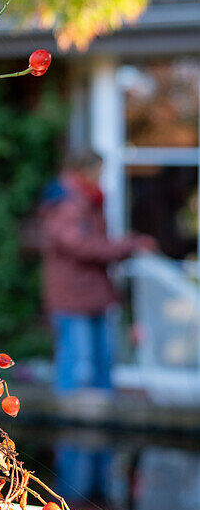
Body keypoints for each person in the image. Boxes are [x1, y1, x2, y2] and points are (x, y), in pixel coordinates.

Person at [40, 150, 156, 392]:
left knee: (102, 357)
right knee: (74, 358)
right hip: (73, 294)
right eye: (99, 171)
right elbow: (81, 245)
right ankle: (68, 414)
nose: (102, 177)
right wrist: (128, 245)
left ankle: (101, 408)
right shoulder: (68, 202)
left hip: (92, 291)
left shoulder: (86, 198)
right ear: (85, 171)